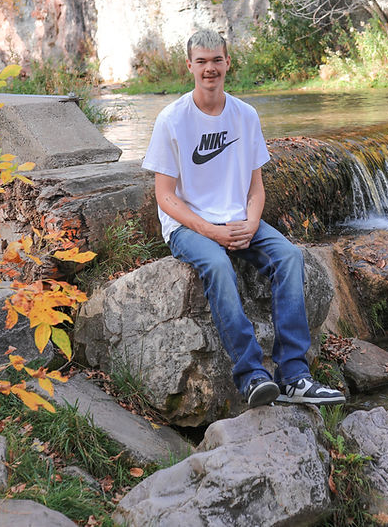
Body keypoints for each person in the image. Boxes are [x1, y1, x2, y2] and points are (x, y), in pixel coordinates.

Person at [141, 29, 345, 409]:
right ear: (189, 66)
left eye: (216, 60)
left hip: (239, 219)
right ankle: (252, 376)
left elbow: (256, 188)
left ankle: (295, 376)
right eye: (201, 61)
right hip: (190, 227)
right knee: (219, 266)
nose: (209, 69)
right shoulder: (172, 120)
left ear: (228, 63)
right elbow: (164, 196)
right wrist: (212, 232)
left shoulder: (245, 115)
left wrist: (252, 223)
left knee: (288, 256)